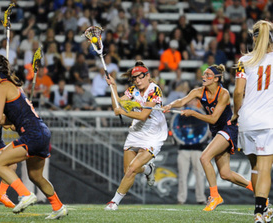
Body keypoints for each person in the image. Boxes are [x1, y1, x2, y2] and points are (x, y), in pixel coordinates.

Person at [0, 55, 68, 219]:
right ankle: (58, 207)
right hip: (43, 132)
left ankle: (25, 194)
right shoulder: (14, 87)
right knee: (36, 176)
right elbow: (8, 121)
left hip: (32, 134)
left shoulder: (1, 88)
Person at [163, 64, 253, 211]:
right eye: (204, 74)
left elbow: (213, 118)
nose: (204, 77)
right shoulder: (198, 91)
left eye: (208, 75)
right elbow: (182, 101)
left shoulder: (223, 93)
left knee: (204, 158)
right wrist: (169, 106)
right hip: (218, 131)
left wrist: (193, 113)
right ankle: (257, 190)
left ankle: (215, 195)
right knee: (225, 174)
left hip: (228, 128)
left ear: (216, 79)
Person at [104, 60, 168, 210]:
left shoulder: (154, 90)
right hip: (137, 131)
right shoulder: (133, 90)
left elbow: (143, 115)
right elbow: (117, 104)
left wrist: (123, 111)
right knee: (128, 171)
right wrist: (112, 86)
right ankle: (148, 170)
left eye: (140, 77)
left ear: (148, 76)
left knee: (132, 169)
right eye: (135, 78)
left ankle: (114, 202)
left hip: (153, 134)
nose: (138, 81)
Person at [231, 20, 273, 223]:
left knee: (255, 167)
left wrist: (235, 113)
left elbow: (238, 92)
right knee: (265, 168)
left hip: (246, 120)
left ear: (254, 38)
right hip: (268, 121)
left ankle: (263, 209)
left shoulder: (244, 60)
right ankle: (260, 212)